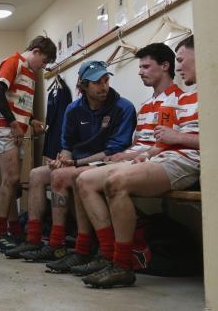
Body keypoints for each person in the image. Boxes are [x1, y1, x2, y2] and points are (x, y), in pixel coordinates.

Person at [79, 36, 198, 288]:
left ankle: (122, 263)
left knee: (116, 181)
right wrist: (141, 154)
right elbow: (159, 142)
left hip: (182, 160)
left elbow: (174, 140)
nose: (178, 67)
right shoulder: (178, 100)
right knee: (84, 179)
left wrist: (167, 142)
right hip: (162, 156)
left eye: (181, 60)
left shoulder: (183, 98)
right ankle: (107, 255)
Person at [6, 60, 136, 266]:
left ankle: (64, 245)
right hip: (77, 161)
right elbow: (67, 144)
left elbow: (114, 150)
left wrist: (74, 162)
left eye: (106, 81)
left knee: (61, 175)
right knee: (36, 175)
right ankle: (33, 239)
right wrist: (62, 160)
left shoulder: (123, 107)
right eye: (97, 82)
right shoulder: (73, 109)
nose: (104, 87)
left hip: (105, 162)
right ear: (83, 85)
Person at [0, 36, 56, 250]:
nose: (43, 66)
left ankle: (14, 230)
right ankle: (0, 235)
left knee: (12, 182)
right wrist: (13, 123)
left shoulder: (30, 73)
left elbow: (17, 101)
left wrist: (31, 120)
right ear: (35, 51)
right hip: (5, 128)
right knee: (11, 179)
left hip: (16, 129)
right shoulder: (14, 62)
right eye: (44, 61)